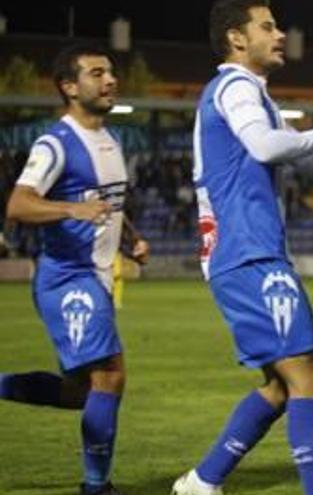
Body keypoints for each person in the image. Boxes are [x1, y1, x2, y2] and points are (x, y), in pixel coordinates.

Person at [170, 1, 313, 494]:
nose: (280, 35)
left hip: (251, 252)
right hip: (247, 252)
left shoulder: (255, 97)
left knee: (282, 385)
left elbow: (307, 168)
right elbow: (263, 147)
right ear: (237, 38)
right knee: (309, 377)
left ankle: (201, 481)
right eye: (268, 26)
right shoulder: (235, 87)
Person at [1, 42, 150, 495]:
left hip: (96, 279)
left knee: (82, 393)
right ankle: (95, 487)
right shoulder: (55, 143)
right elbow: (18, 204)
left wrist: (131, 238)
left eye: (111, 72)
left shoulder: (111, 139)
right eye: (97, 73)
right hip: (68, 277)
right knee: (110, 377)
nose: (110, 80)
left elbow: (109, 204)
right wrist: (69, 209)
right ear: (69, 86)